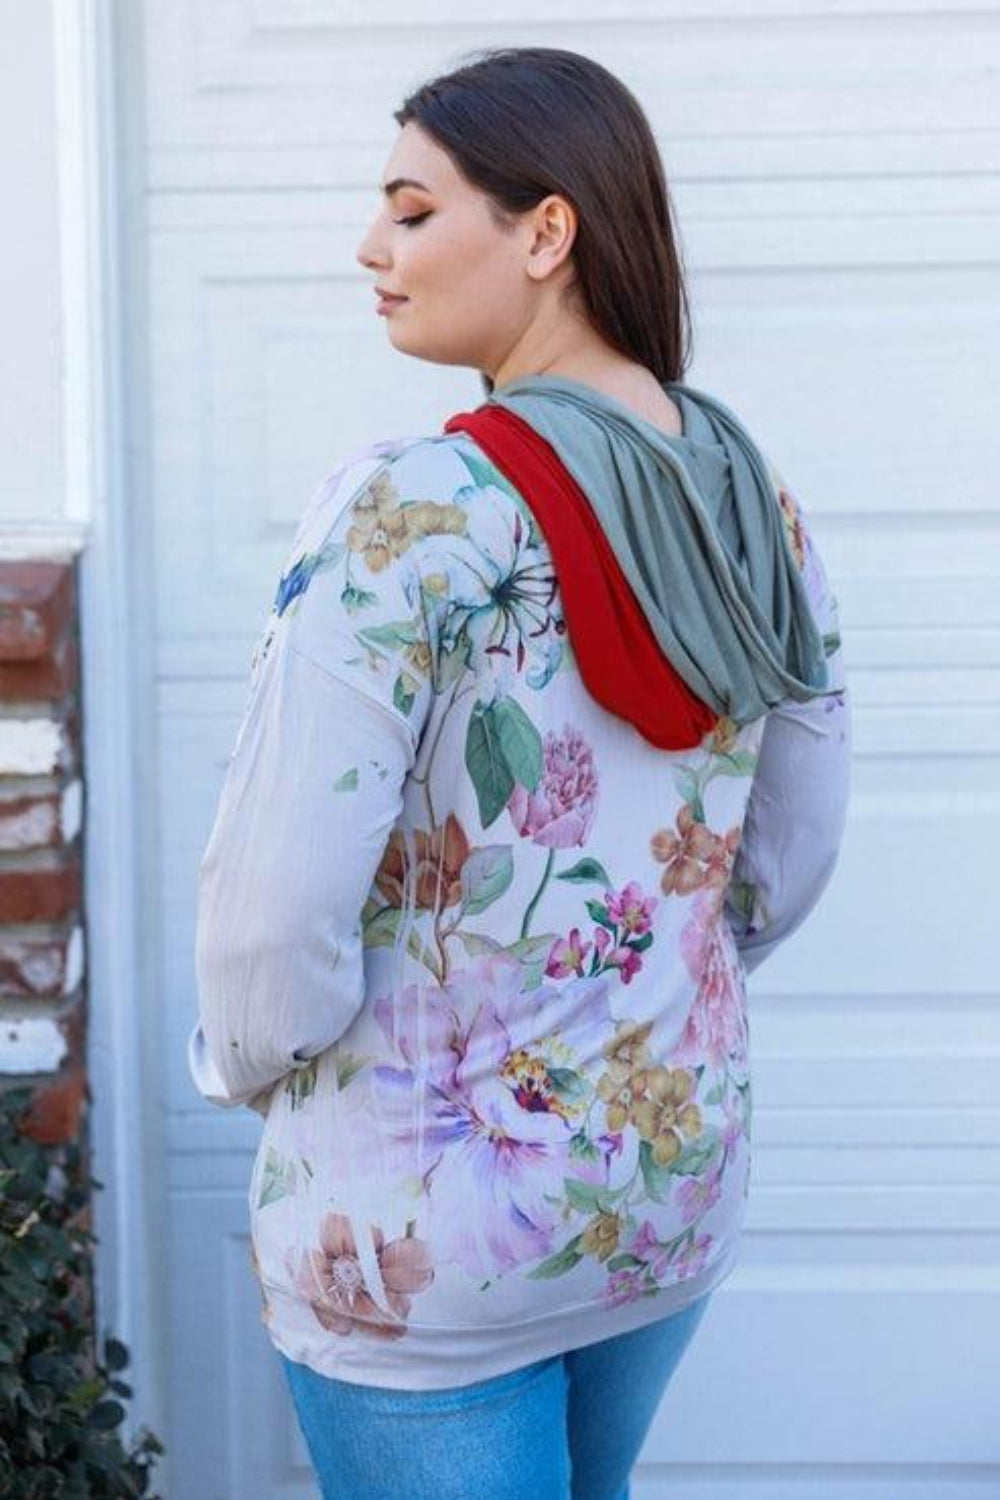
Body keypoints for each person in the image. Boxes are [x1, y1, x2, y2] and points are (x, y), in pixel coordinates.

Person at [187, 45, 850, 1500]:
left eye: (414, 211)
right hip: (663, 1192)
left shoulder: (412, 508)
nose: (374, 246)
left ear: (546, 233)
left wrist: (251, 1070)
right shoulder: (752, 498)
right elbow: (791, 851)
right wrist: (632, 995)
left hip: (421, 1243)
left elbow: (266, 917)